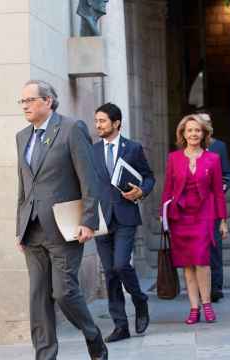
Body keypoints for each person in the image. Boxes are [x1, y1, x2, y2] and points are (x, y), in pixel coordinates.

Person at [15, 80, 108, 360]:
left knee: (64, 292)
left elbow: (88, 177)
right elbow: (23, 185)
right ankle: (45, 355)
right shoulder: (22, 136)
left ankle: (92, 334)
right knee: (38, 298)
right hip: (32, 230)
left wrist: (88, 220)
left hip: (64, 228)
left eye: (30, 100)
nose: (25, 106)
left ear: (48, 101)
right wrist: (19, 228)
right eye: (22, 102)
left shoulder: (71, 129)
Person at [92, 103, 155, 342]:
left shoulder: (133, 148)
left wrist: (141, 192)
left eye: (102, 121)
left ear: (116, 123)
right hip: (101, 218)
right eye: (96, 121)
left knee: (120, 265)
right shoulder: (92, 150)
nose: (98, 125)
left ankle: (140, 299)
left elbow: (149, 177)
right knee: (109, 272)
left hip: (126, 216)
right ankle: (121, 326)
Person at [160, 114, 228, 325]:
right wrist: (164, 218)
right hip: (180, 217)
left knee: (202, 261)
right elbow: (168, 190)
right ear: (183, 134)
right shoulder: (174, 158)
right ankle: (193, 308)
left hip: (204, 215)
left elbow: (218, 192)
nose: (193, 134)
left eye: (197, 130)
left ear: (204, 133)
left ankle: (206, 304)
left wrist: (223, 220)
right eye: (189, 130)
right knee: (187, 264)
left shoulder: (213, 159)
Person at [196, 112, 230, 303]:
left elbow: (227, 174)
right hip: (194, 208)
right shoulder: (189, 148)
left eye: (208, 122)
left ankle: (216, 287)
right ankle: (201, 287)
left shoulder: (219, 147)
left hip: (213, 206)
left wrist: (220, 187)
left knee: (215, 247)